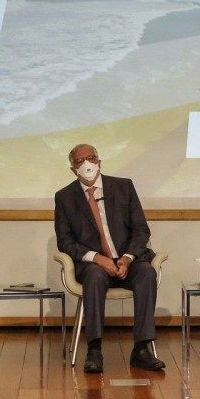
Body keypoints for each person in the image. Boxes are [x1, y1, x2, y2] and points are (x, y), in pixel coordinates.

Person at [54, 144, 164, 374]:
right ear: (73, 169)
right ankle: (94, 350)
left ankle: (142, 349)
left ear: (99, 161)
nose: (87, 164)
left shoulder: (123, 187)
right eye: (80, 161)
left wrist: (127, 257)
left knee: (147, 273)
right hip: (94, 266)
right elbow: (65, 242)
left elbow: (141, 230)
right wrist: (97, 258)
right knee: (94, 276)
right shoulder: (65, 197)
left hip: (128, 261)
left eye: (91, 158)